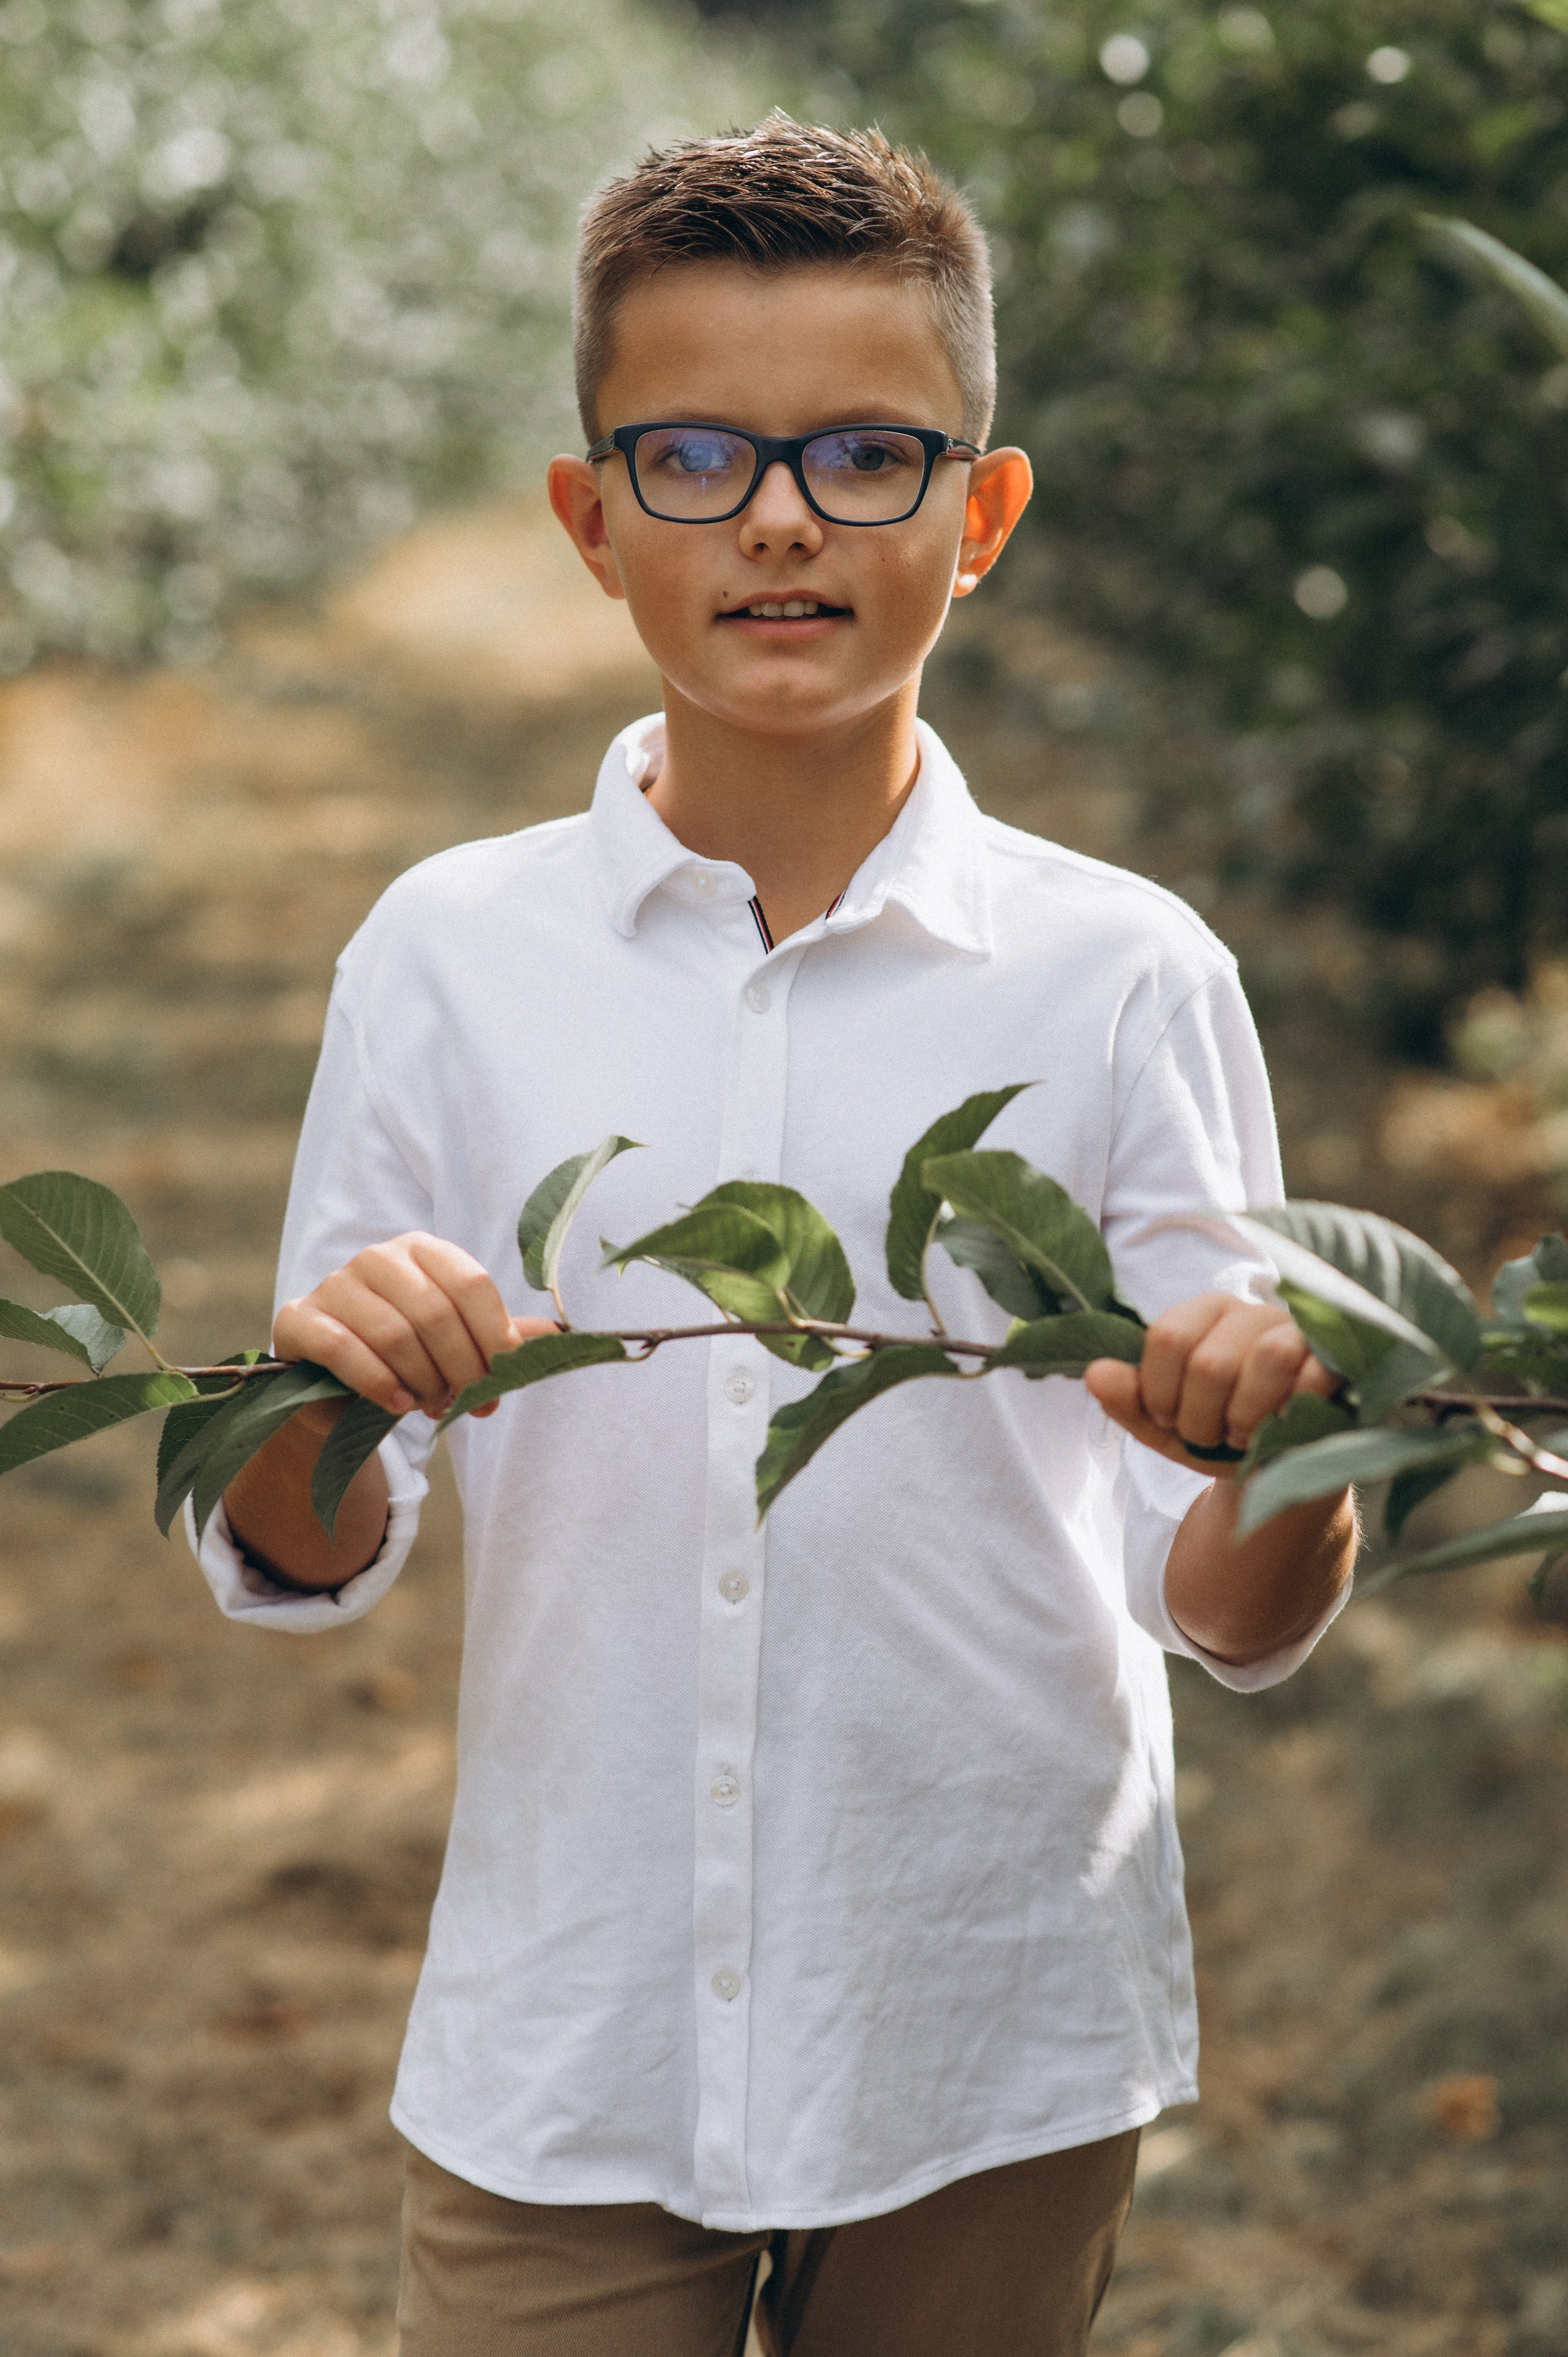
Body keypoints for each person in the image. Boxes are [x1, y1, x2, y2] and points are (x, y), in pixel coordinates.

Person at [196, 115, 1356, 2357]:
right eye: (702, 456)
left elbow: (1226, 1612)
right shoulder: (447, 957)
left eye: (867, 456)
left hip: (986, 2041)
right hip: (573, 2034)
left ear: (984, 512)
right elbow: (310, 1547)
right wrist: (310, 1398)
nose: (789, 520)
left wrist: (1274, 1467)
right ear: (591, 518)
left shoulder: (1122, 980)